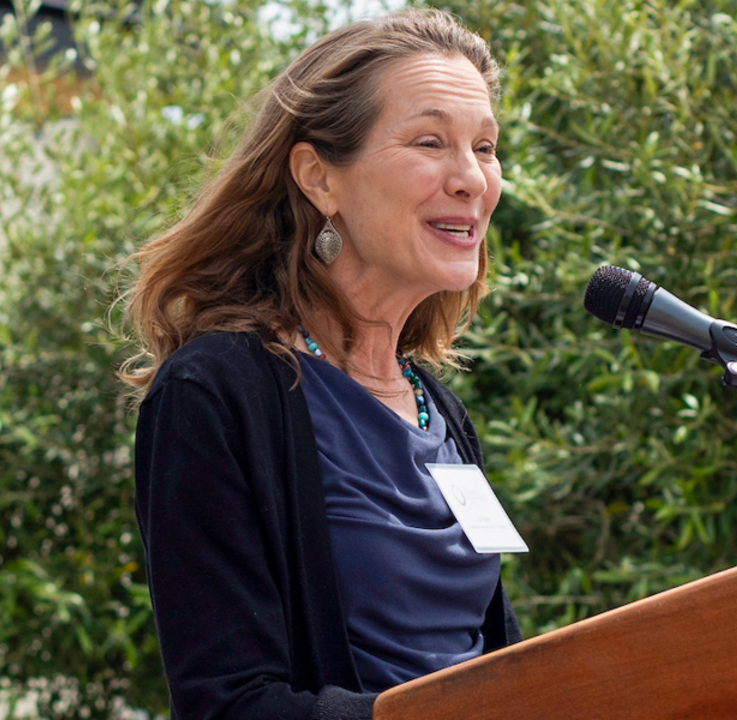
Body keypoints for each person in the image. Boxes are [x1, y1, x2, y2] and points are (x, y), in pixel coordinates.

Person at [120, 10, 521, 720]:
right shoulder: (215, 394)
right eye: (431, 141)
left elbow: (496, 663)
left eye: (485, 147)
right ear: (318, 178)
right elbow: (229, 704)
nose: (472, 179)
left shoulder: (438, 412)